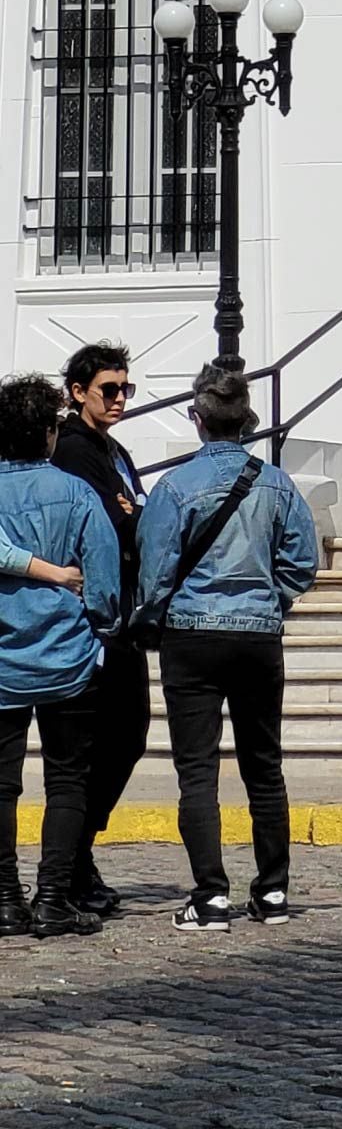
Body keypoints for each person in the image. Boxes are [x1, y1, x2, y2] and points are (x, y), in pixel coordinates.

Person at [134, 365, 319, 931]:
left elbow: (155, 568)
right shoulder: (277, 483)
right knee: (265, 767)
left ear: (198, 419)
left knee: (198, 771)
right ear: (248, 420)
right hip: (257, 635)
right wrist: (270, 599)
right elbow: (302, 562)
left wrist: (153, 615)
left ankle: (210, 894)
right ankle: (273, 891)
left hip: (192, 634)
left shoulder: (174, 486)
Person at [0, 374, 120, 941]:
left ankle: (4, 897)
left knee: (2, 783)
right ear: (50, 433)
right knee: (67, 779)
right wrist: (102, 627)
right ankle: (53, 896)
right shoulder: (76, 493)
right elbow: (104, 581)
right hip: (66, 657)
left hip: (3, 660)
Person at [52, 343, 148, 916]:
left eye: (124, 389)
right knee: (99, 743)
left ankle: (79, 853)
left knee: (127, 736)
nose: (118, 399)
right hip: (95, 617)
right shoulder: (73, 450)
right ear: (78, 392)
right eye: (108, 389)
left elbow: (134, 511)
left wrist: (133, 515)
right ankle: (71, 865)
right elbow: (114, 520)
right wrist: (131, 516)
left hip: (124, 613)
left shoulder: (115, 450)